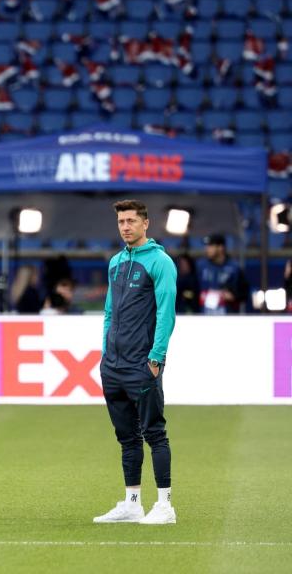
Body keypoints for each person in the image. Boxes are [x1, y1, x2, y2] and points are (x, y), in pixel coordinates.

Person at [96, 199, 177, 525]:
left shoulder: (160, 262)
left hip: (141, 365)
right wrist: (105, 354)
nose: (125, 226)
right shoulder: (116, 262)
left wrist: (156, 358)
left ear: (146, 224)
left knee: (154, 434)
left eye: (131, 220)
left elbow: (167, 313)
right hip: (113, 366)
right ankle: (132, 503)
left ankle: (165, 506)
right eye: (121, 221)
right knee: (126, 438)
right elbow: (109, 313)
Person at [198, 234, 250, 314]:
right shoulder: (201, 266)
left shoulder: (234, 268)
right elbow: (193, 290)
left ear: (220, 247)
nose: (207, 249)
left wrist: (232, 296)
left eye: (211, 246)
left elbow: (244, 293)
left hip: (227, 317)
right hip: (204, 316)